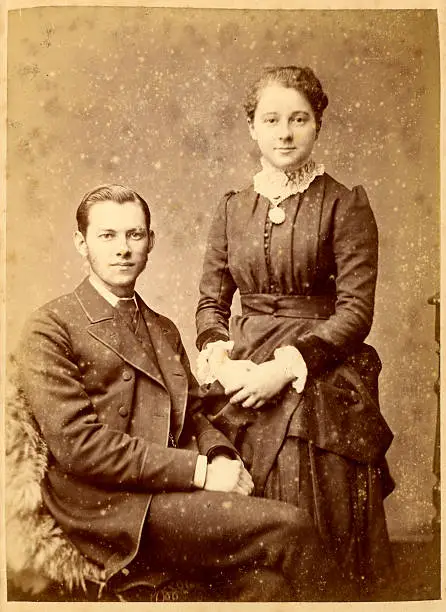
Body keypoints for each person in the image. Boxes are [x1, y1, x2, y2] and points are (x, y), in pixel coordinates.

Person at [14, 183, 331, 602]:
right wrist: (201, 472)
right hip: (108, 508)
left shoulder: (162, 327)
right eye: (107, 236)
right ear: (81, 242)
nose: (123, 248)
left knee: (266, 588)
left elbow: (195, 412)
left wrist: (221, 456)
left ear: (150, 243)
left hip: (166, 493)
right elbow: (79, 446)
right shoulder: (51, 326)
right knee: (291, 528)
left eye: (135, 235)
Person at [195, 65, 395, 599]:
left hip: (319, 362)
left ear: (317, 125)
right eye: (272, 119)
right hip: (242, 362)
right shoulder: (233, 207)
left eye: (299, 119)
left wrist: (284, 369)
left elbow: (355, 313)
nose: (285, 133)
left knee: (303, 441)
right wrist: (222, 358)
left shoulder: (345, 204)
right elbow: (210, 302)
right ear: (253, 128)